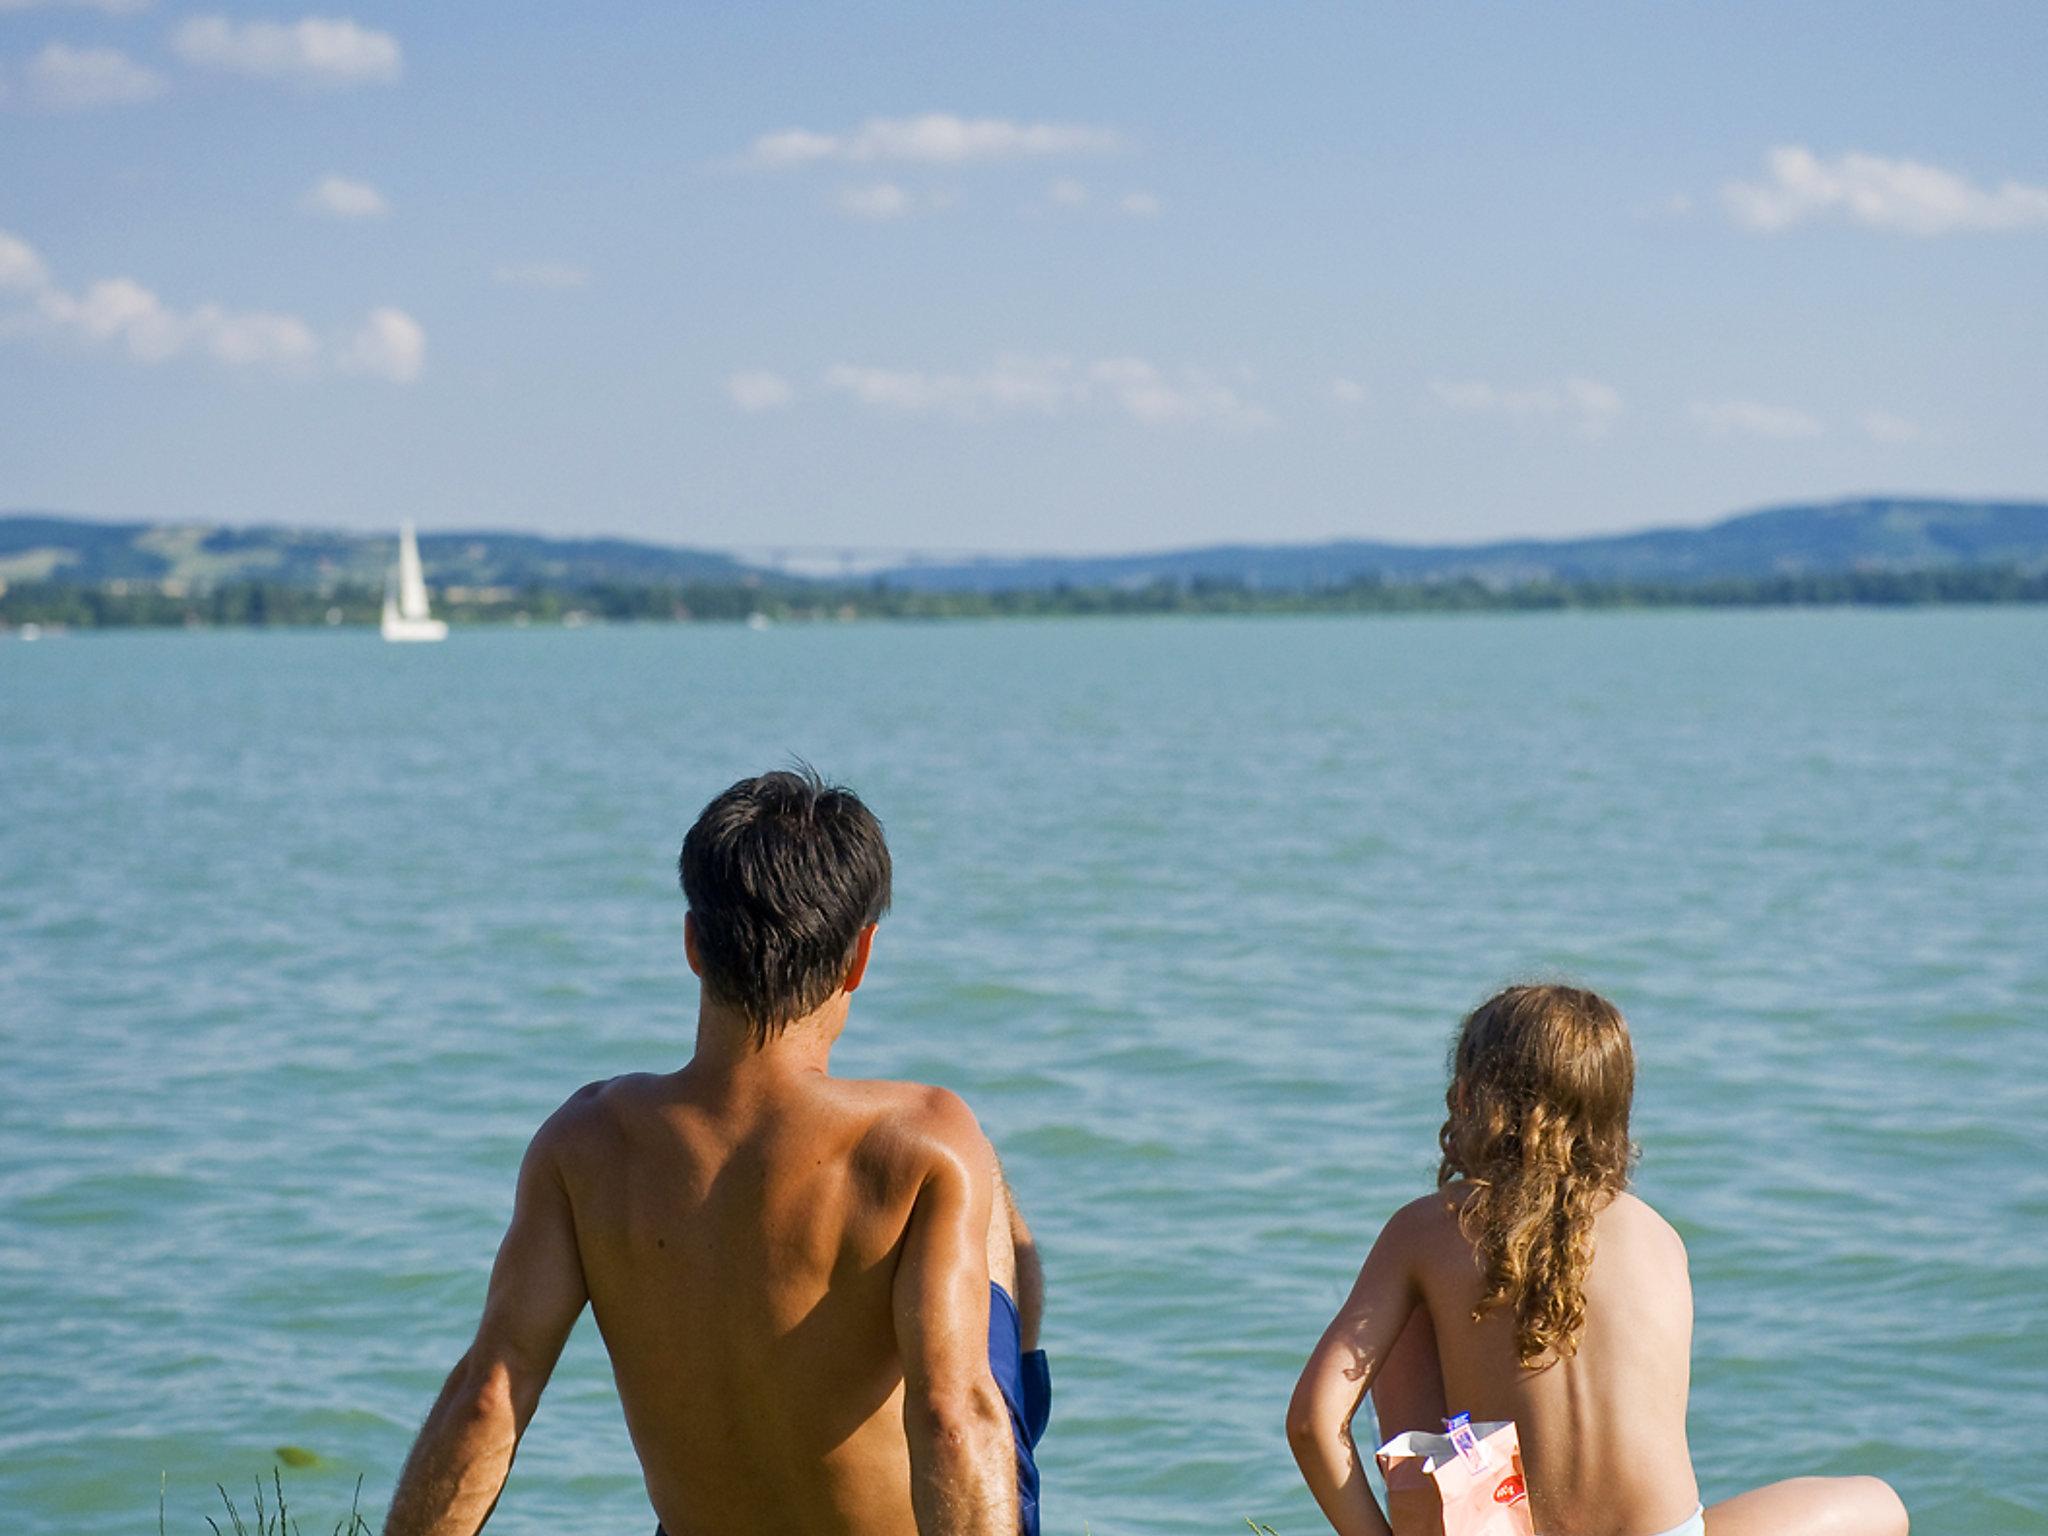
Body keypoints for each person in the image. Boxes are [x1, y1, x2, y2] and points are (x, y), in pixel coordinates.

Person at [384, 768, 1050, 1536]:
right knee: (981, 1186)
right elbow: (953, 1419)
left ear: (694, 944)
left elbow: (489, 1396)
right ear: (859, 957)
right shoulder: (922, 1141)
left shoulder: (586, 1142)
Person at [1286, 984, 1907, 1536]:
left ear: (1469, 1095)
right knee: (1880, 1503)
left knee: (1401, 1324)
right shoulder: (1658, 1234)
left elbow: (1315, 1424)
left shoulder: (1428, 1226)